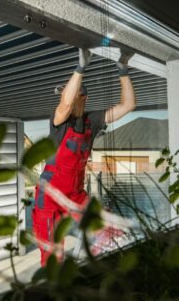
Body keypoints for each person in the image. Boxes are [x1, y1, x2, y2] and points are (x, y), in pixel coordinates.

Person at [32, 47, 136, 266]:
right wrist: (80, 67)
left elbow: (128, 105)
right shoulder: (59, 121)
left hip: (75, 194)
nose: (63, 97)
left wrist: (123, 70)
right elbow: (66, 104)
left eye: (67, 92)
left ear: (83, 96)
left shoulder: (93, 120)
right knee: (52, 257)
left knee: (110, 228)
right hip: (49, 198)